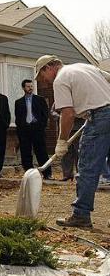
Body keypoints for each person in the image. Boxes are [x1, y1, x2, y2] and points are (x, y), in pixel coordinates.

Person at [36, 54, 110, 228]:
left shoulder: (60, 79)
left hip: (99, 117)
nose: (43, 81)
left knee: (87, 168)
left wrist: (62, 141)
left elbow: (67, 114)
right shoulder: (85, 67)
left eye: (42, 76)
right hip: (102, 112)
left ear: (49, 68)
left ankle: (81, 215)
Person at [14, 79, 51, 179]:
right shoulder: (18, 102)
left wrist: (41, 126)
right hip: (25, 130)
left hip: (37, 129)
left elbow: (45, 115)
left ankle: (47, 173)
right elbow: (18, 117)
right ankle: (29, 173)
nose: (30, 88)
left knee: (41, 152)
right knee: (25, 152)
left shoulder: (40, 99)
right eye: (28, 86)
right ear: (23, 88)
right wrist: (20, 129)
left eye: (31, 86)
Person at [51, 102, 84, 181]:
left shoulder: (79, 96)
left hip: (78, 129)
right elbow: (53, 111)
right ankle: (67, 174)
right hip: (65, 130)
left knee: (78, 152)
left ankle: (81, 174)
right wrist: (60, 117)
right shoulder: (62, 97)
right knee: (65, 152)